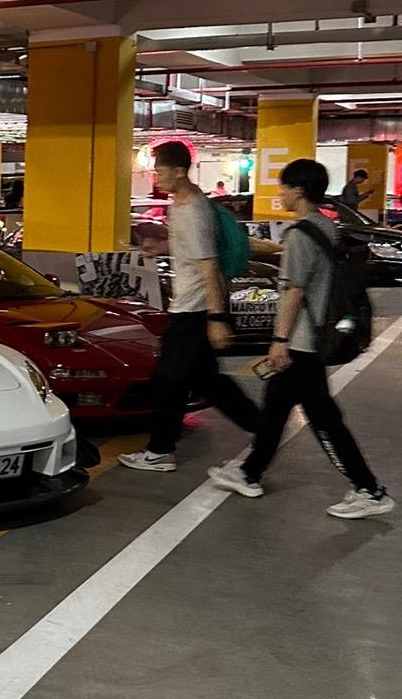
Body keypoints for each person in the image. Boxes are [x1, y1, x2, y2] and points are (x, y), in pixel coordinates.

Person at [210, 158, 392, 519]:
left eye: (284, 187)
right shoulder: (326, 226)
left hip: (303, 343)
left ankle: (369, 490)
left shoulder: (299, 235)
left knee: (324, 419)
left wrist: (279, 340)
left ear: (299, 190)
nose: (280, 194)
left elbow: (293, 292)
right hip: (316, 334)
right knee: (276, 406)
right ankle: (249, 472)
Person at [120, 139, 260, 474]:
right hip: (189, 307)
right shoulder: (181, 205)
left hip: (193, 310)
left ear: (180, 171)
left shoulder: (194, 210)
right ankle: (263, 427)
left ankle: (160, 451)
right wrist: (161, 247)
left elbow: (208, 265)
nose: (155, 177)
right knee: (209, 381)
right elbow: (191, 248)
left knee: (167, 380)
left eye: (160, 170)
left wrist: (217, 318)